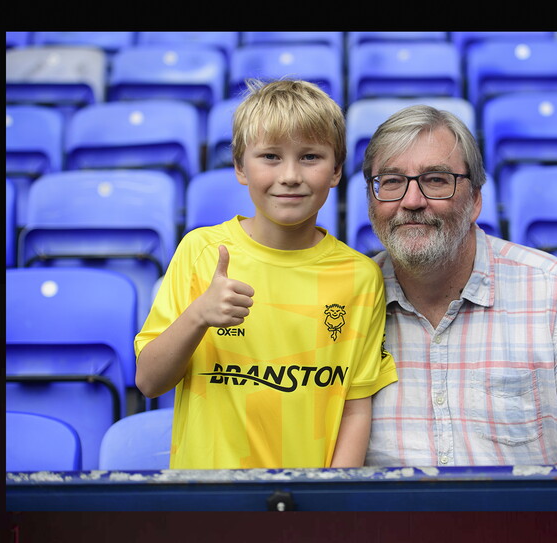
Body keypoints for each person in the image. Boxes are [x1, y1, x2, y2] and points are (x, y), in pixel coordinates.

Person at [361, 105, 557, 466]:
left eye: (436, 180)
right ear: (371, 202)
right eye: (391, 181)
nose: (412, 201)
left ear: (476, 201)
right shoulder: (345, 307)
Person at [135, 79, 397, 470]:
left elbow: (356, 407)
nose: (290, 175)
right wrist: (198, 316)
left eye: (310, 157)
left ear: (337, 170)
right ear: (240, 167)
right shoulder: (201, 252)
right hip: (210, 504)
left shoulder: (360, 276)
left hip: (309, 508)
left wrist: (330, 500)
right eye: (271, 157)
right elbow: (149, 381)